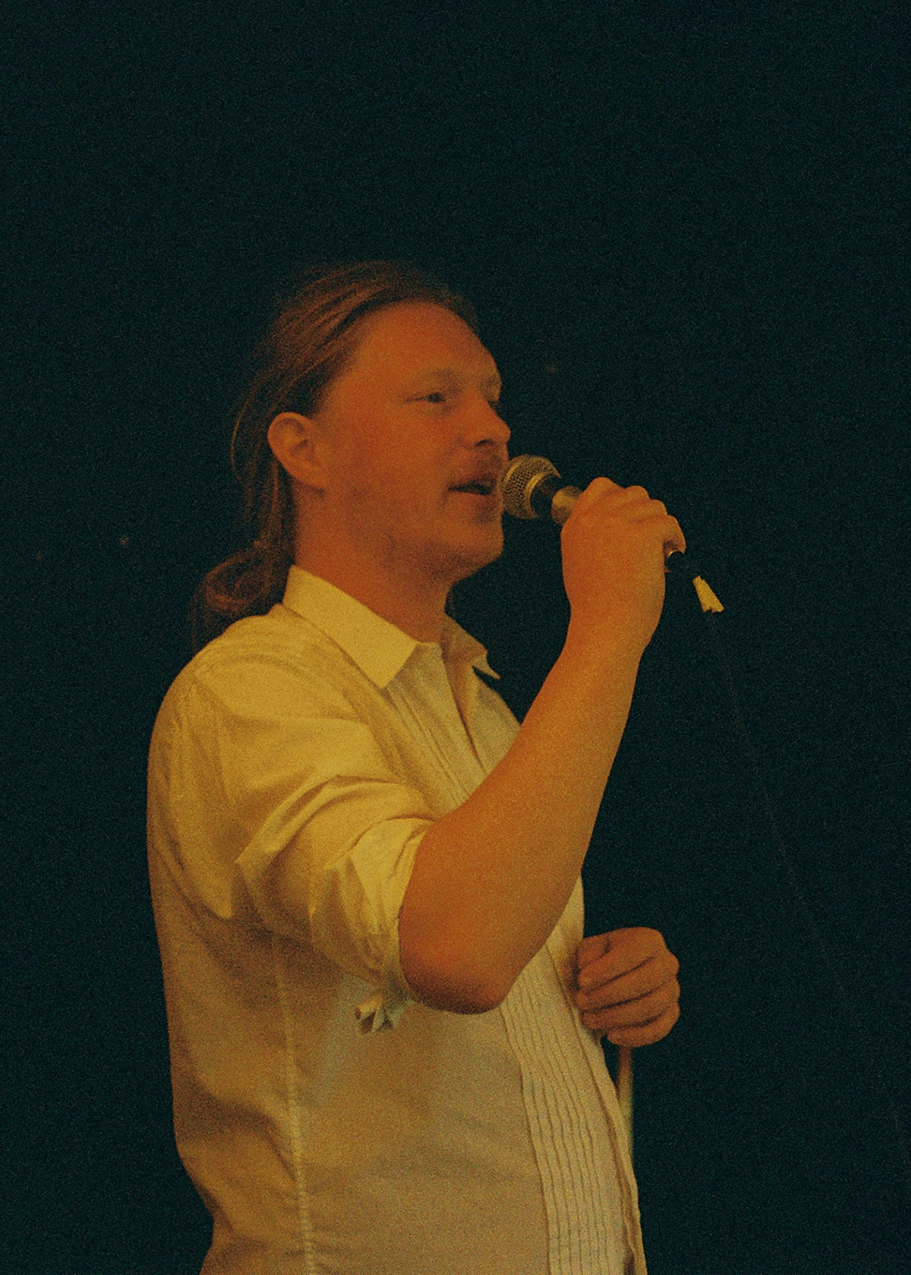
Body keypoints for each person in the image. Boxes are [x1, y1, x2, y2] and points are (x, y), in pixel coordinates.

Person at [147, 261, 683, 1274]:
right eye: (436, 398)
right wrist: (610, 626)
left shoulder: (488, 709)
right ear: (303, 447)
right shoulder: (250, 691)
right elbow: (457, 946)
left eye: (493, 398)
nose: (492, 429)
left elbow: (482, 960)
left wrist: (595, 983)